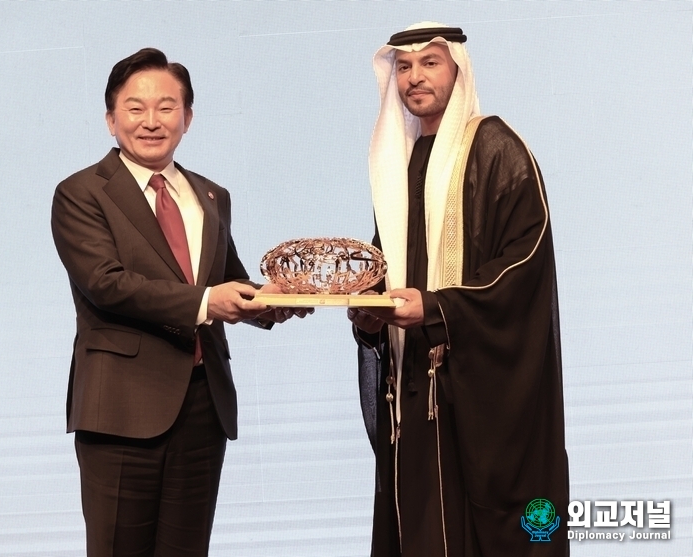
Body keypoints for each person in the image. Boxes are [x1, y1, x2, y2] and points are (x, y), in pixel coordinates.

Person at [51, 47, 304, 557]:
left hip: (202, 407)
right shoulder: (81, 193)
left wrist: (271, 300)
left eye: (166, 107)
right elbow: (106, 282)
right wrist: (211, 302)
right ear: (110, 119)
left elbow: (225, 281)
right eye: (135, 107)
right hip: (121, 410)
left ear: (187, 118)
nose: (151, 121)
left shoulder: (211, 195)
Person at [347, 23, 569, 556]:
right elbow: (386, 266)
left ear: (458, 71)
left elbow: (524, 267)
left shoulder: (497, 149)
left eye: (430, 63)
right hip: (416, 385)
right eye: (404, 67)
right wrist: (369, 312)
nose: (415, 77)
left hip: (476, 389)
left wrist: (438, 308)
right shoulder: (400, 164)